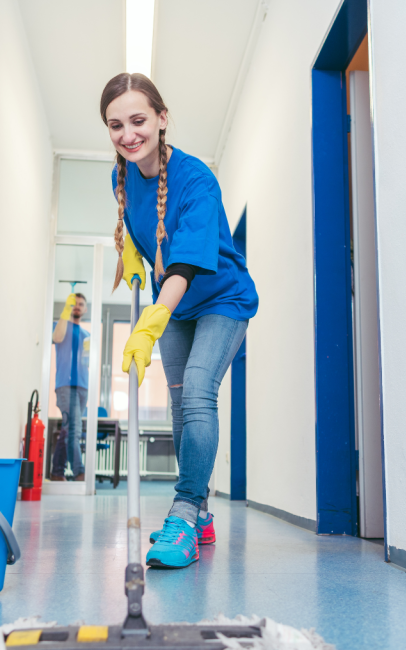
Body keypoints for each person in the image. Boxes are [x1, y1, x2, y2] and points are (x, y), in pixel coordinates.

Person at [101, 73, 258, 568]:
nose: (128, 134)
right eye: (115, 124)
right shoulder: (120, 176)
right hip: (175, 305)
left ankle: (185, 513)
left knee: (197, 393)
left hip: (221, 300)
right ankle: (203, 511)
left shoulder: (196, 179)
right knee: (177, 406)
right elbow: (144, 228)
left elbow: (186, 265)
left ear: (162, 118)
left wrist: (150, 322)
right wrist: (131, 252)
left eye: (139, 120)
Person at [51, 292, 91, 481]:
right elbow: (57, 338)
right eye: (74, 304)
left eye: (81, 304)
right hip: (66, 385)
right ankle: (79, 472)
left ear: (85, 309)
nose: (77, 306)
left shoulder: (86, 335)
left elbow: (86, 361)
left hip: (82, 387)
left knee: (68, 430)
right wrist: (65, 310)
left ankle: (57, 472)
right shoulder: (62, 326)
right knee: (74, 429)